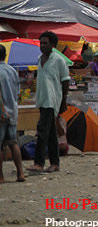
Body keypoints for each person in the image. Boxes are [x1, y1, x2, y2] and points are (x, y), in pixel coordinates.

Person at [27, 31, 70, 173]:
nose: (42, 45)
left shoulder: (58, 60)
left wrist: (63, 101)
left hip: (52, 100)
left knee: (42, 130)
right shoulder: (40, 59)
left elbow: (65, 81)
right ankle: (55, 162)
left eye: (45, 43)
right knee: (51, 133)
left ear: (52, 44)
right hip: (42, 99)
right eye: (41, 43)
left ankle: (39, 162)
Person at [0, 45, 25, 183]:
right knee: (13, 143)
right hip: (13, 111)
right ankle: (20, 173)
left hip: (1, 113)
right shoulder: (12, 71)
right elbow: (17, 92)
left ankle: (1, 176)